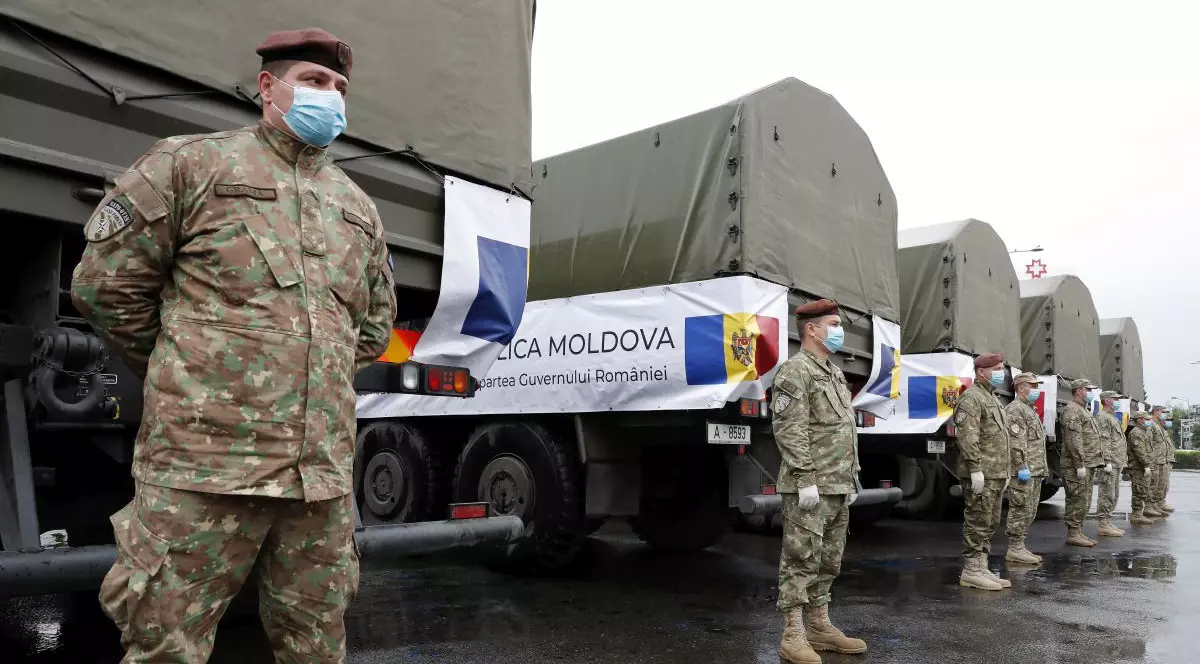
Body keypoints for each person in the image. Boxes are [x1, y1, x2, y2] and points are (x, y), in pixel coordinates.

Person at [70, 27, 397, 663]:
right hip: (202, 470)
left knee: (316, 650)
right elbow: (105, 289)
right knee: (167, 647)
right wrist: (191, 369)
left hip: (318, 485)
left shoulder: (356, 207)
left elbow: (373, 328)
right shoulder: (190, 165)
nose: (328, 96)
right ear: (268, 88)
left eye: (338, 87)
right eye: (313, 81)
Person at [770, 299, 866, 664]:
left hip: (837, 483)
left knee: (829, 560)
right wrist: (805, 478)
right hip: (808, 485)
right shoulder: (795, 371)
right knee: (801, 559)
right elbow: (789, 429)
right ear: (811, 329)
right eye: (833, 323)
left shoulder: (833, 371)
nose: (840, 331)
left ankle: (819, 626)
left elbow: (844, 431)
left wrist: (852, 478)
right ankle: (793, 635)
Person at [953, 353, 1013, 590]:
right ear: (981, 372)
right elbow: (968, 437)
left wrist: (1006, 471)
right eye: (997, 368)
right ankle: (971, 569)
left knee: (991, 522)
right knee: (977, 520)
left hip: (996, 472)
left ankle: (982, 565)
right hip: (981, 473)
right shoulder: (971, 398)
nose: (1002, 373)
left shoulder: (993, 398)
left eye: (1002, 368)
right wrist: (975, 469)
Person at [1003, 372, 1048, 565]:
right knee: (1020, 508)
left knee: (1029, 509)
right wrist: (1021, 466)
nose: (1036, 390)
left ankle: (1020, 546)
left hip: (1035, 469)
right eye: (1033, 386)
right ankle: (1014, 548)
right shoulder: (1015, 409)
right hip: (1023, 470)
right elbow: (1016, 442)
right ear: (1021, 388)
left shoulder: (1028, 409)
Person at [1059, 378, 1104, 547]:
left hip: (1088, 463)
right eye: (1088, 389)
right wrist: (1079, 464)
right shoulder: (1072, 411)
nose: (1091, 393)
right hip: (1075, 465)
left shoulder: (1083, 410)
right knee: (1076, 499)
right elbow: (1074, 440)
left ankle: (1078, 531)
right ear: (1078, 391)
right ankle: (1073, 533)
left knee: (1084, 500)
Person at [1093, 391, 1128, 537]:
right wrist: (1106, 461)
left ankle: (1108, 521)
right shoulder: (1102, 417)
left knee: (1114, 493)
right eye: (1115, 399)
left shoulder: (1112, 417)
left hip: (1116, 461)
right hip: (1110, 462)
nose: (1118, 401)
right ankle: (1103, 524)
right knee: (1107, 493)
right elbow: (1104, 440)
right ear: (1107, 401)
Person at [1126, 411, 1159, 525]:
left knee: (1143, 491)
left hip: (1143, 467)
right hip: (1138, 468)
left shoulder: (1143, 431)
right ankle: (1136, 515)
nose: (1149, 421)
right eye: (1147, 419)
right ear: (1140, 419)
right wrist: (1146, 465)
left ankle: (1139, 513)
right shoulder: (1137, 433)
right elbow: (1139, 452)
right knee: (1139, 491)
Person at [1149, 407, 1174, 517]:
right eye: (1163, 412)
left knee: (1162, 485)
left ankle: (1157, 504)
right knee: (1153, 485)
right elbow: (1149, 443)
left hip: (1162, 460)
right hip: (1155, 460)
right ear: (1156, 412)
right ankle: (1150, 506)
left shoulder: (1159, 427)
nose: (1164, 415)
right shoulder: (1152, 425)